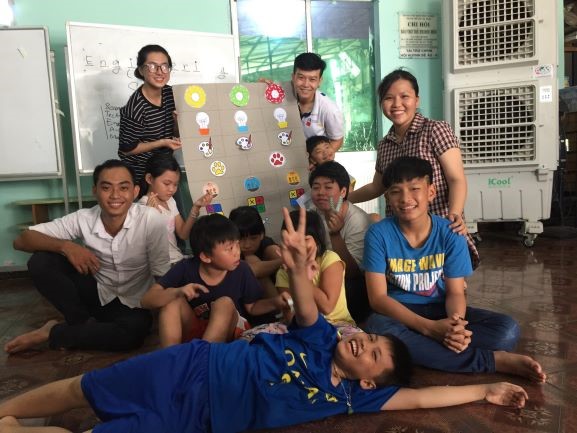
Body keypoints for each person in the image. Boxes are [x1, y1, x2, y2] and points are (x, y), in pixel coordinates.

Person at [0, 207, 534, 433]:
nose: (362, 343)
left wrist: (485, 390)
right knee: (84, 387)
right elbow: (307, 307)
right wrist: (299, 268)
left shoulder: (353, 397)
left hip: (201, 419)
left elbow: (419, 399)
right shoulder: (322, 337)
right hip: (190, 366)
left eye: (371, 353)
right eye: (370, 339)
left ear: (369, 382)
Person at [363, 156, 546, 382]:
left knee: (507, 331)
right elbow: (378, 299)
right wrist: (430, 329)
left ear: (431, 192)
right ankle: (492, 360)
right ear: (387, 198)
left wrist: (455, 326)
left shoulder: (451, 232)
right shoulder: (378, 234)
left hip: (440, 309)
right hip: (400, 312)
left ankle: (424, 350)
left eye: (414, 189)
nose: (405, 198)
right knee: (377, 325)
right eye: (395, 192)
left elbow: (456, 292)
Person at [5, 160, 170, 353]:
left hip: (135, 303)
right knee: (41, 261)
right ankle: (80, 324)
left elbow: (162, 275)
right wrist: (66, 247)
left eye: (123, 188)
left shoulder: (151, 220)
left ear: (135, 192)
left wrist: (167, 313)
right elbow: (22, 240)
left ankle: (55, 332)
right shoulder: (83, 218)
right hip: (96, 293)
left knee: (132, 335)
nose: (115, 195)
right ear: (95, 191)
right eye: (106, 188)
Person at [348, 69, 479, 268]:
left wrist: (455, 215)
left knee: (449, 281)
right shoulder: (385, 145)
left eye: (404, 96)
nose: (396, 104)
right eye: (388, 98)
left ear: (416, 100)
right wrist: (344, 199)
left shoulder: (435, 130)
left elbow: (456, 179)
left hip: (439, 230)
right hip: (402, 235)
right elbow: (377, 187)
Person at [140, 213, 289, 346]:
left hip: (233, 333)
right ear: (206, 256)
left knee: (224, 303)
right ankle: (172, 359)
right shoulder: (186, 268)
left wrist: (276, 302)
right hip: (198, 333)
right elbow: (146, 300)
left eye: (237, 245)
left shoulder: (242, 269)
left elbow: (253, 307)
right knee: (171, 302)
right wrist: (177, 292)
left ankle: (203, 361)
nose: (237, 252)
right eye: (230, 248)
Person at [241, 209, 356, 342]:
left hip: (337, 324)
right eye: (291, 241)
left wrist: (301, 275)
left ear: (317, 240)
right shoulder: (284, 271)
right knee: (249, 338)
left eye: (305, 239)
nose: (298, 246)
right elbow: (292, 313)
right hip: (301, 326)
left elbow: (327, 307)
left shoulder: (329, 259)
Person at [309, 161, 372, 323]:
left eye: (328, 187)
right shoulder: (312, 213)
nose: (320, 193)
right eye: (316, 187)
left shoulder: (357, 220)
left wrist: (336, 234)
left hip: (350, 281)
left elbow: (353, 273)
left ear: (343, 191)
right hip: (319, 271)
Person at [118, 44, 182, 183]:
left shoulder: (172, 94)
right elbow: (127, 149)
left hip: (165, 169)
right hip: (142, 175)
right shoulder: (136, 106)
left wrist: (177, 123)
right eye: (152, 66)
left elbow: (176, 134)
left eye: (164, 66)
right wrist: (162, 142)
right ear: (141, 70)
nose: (160, 72)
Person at [139, 154, 213, 264]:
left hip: (178, 259)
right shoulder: (142, 206)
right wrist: (151, 215)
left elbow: (183, 234)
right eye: (166, 183)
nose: (172, 189)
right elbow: (145, 248)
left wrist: (195, 208)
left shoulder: (170, 201)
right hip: (161, 264)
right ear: (149, 179)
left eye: (175, 185)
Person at [229, 205, 282, 299]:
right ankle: (279, 304)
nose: (247, 245)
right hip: (247, 300)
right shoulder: (228, 250)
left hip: (281, 295)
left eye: (253, 238)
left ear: (262, 235)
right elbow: (253, 270)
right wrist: (284, 260)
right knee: (252, 260)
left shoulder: (267, 244)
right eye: (241, 239)